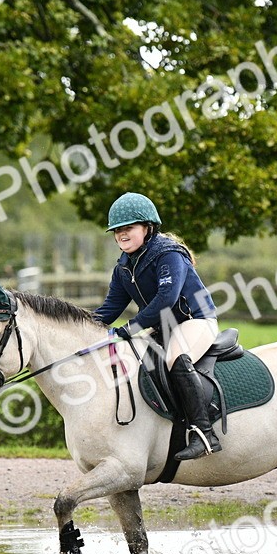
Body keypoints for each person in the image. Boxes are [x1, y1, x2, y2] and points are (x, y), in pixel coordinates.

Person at [93, 192, 221, 460]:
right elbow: (110, 308)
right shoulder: (124, 267)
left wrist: (131, 327)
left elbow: (167, 299)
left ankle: (204, 434)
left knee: (176, 358)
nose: (121, 235)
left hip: (195, 321)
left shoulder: (168, 253)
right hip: (163, 328)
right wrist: (81, 328)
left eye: (128, 228)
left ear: (148, 227)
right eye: (117, 231)